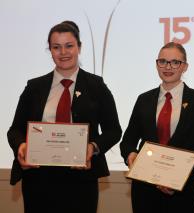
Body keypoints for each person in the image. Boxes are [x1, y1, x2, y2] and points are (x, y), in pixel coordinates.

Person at [7, 21, 122, 213]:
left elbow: (113, 130)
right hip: (38, 181)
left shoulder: (96, 86)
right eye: (56, 47)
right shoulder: (34, 87)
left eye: (69, 45)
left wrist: (92, 147)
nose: (63, 52)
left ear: (79, 47)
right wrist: (21, 146)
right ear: (50, 50)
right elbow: (15, 130)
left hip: (81, 182)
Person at [120, 42, 194, 213]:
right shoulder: (143, 99)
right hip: (144, 190)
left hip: (179, 191)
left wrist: (177, 179)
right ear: (156, 64)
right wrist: (131, 154)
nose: (168, 67)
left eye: (175, 62)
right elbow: (128, 140)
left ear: (185, 67)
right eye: (162, 61)